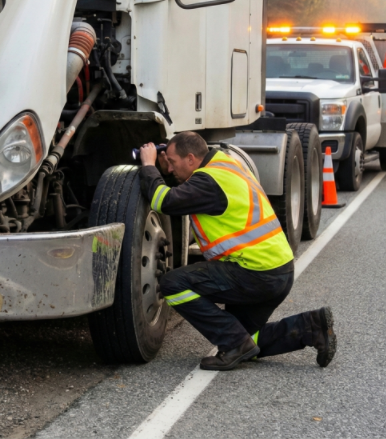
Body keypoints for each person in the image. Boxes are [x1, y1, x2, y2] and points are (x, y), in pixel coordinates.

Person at [138, 132, 336, 371]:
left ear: (191, 159)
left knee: (172, 284)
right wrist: (164, 165)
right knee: (247, 340)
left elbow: (164, 201)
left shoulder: (207, 182)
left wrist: (148, 166)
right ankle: (312, 327)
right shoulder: (225, 163)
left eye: (172, 162)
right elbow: (183, 190)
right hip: (278, 270)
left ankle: (235, 343)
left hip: (255, 273)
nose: (169, 169)